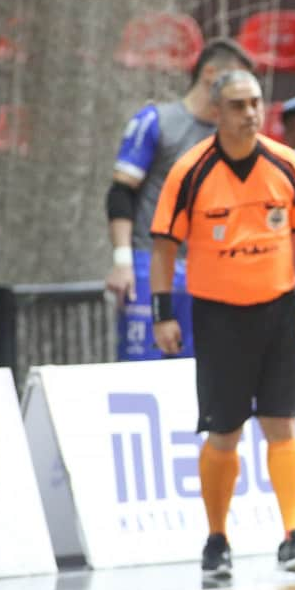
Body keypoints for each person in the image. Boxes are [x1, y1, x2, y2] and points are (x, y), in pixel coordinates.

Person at [149, 70, 295, 578]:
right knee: (223, 430)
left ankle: (294, 537)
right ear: (216, 111)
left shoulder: (285, 163)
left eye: (255, 102)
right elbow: (163, 246)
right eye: (238, 105)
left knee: (281, 423)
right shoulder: (190, 170)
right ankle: (217, 542)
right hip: (218, 316)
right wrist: (163, 314)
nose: (250, 112)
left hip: (278, 310)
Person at [105, 38, 253, 361]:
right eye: (234, 80)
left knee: (201, 372)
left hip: (206, 270)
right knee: (142, 367)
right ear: (210, 73)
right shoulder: (156, 121)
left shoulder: (230, 138)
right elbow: (120, 191)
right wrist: (122, 261)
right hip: (152, 263)